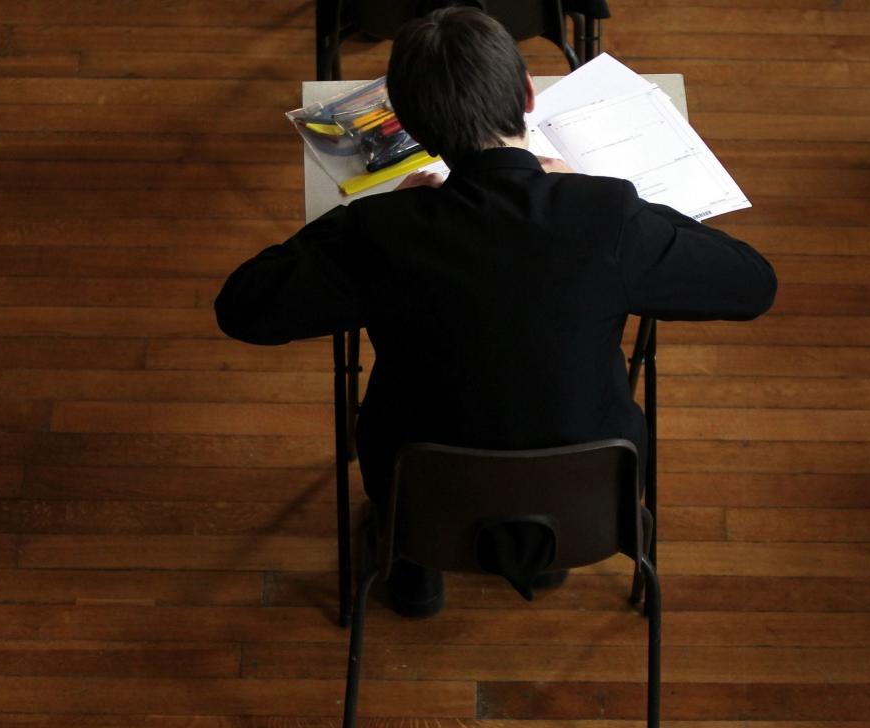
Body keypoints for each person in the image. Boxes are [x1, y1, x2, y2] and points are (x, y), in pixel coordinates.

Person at [214, 6, 776, 618]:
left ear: (408, 122)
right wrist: (602, 195)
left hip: (418, 497)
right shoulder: (604, 215)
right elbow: (752, 284)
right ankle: (546, 552)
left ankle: (414, 571)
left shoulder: (381, 232)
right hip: (592, 497)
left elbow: (244, 307)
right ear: (529, 95)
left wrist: (363, 218)